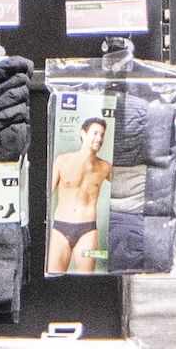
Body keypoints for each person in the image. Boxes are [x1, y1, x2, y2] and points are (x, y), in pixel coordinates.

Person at [46, 109, 112, 273]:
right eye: (95, 133)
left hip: (88, 229)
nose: (99, 138)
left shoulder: (105, 167)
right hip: (61, 227)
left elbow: (126, 186)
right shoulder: (63, 161)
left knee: (86, 281)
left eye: (102, 135)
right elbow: (46, 195)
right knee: (54, 276)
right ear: (83, 133)